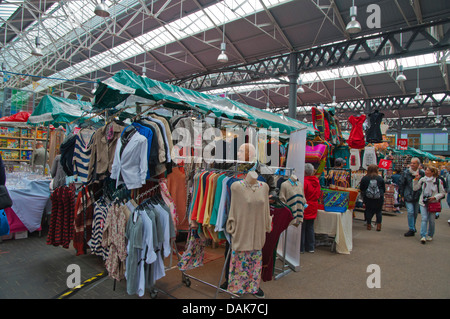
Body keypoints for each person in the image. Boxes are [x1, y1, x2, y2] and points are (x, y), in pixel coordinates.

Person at [413, 165, 446, 244]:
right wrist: (415, 180)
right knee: (424, 218)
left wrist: (434, 197)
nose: (426, 171)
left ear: (432, 172)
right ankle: (423, 235)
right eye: (426, 170)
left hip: (433, 203)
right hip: (423, 202)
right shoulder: (423, 180)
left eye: (428, 170)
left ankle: (430, 234)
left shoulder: (438, 181)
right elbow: (415, 188)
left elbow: (442, 193)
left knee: (431, 220)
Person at [398, 157, 425, 236]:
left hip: (418, 195)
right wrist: (402, 194)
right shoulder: (406, 172)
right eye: (411, 163)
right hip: (408, 195)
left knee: (415, 213)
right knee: (410, 212)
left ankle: (413, 226)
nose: (412, 165)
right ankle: (411, 228)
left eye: (414, 163)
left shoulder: (422, 173)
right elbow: (401, 183)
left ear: (418, 164)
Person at [359, 164, 385, 231]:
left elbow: (361, 188)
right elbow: (383, 189)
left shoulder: (365, 178)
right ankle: (379, 226)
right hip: (379, 198)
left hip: (368, 198)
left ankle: (369, 225)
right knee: (378, 211)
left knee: (368, 210)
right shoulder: (380, 178)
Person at [301, 163, 321, 253]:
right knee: (310, 227)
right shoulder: (316, 181)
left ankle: (301, 247)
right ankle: (310, 247)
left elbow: (303, 195)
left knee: (303, 227)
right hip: (313, 205)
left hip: (306, 205)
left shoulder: (304, 182)